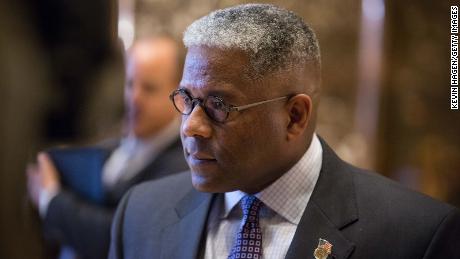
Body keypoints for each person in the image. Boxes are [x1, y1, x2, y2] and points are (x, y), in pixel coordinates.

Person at [108, 4, 460, 259]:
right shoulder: (141, 214)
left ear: (294, 116)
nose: (191, 126)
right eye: (186, 98)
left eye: (218, 106)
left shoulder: (416, 236)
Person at [27, 36, 188, 259]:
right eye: (131, 84)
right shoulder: (115, 145)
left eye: (149, 88)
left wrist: (50, 198)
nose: (134, 98)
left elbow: (118, 235)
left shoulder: (183, 166)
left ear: (180, 96)